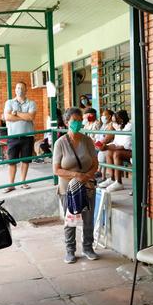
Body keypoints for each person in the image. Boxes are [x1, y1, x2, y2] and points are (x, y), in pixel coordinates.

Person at [52, 107, 100, 264]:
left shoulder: (87, 141)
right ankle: (70, 250)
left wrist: (87, 176)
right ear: (67, 122)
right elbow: (56, 169)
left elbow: (95, 164)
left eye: (80, 121)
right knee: (70, 220)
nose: (78, 123)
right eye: (74, 121)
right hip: (68, 188)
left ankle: (88, 247)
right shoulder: (60, 143)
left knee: (88, 219)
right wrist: (76, 175)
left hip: (87, 186)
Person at [3, 81, 37, 191]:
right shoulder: (9, 102)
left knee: (25, 161)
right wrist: (24, 117)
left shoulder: (31, 103)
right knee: (12, 161)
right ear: (15, 89)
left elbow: (31, 117)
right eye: (17, 88)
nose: (19, 90)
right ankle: (11, 184)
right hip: (13, 136)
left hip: (27, 136)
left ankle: (23, 182)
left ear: (26, 90)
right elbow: (7, 117)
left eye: (22, 88)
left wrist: (16, 113)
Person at [97, 110, 132, 192]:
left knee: (116, 154)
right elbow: (116, 143)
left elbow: (124, 146)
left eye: (116, 121)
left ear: (121, 119)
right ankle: (112, 179)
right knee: (109, 152)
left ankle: (119, 182)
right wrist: (106, 147)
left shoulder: (129, 126)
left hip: (130, 151)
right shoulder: (119, 127)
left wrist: (107, 147)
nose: (114, 124)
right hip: (122, 149)